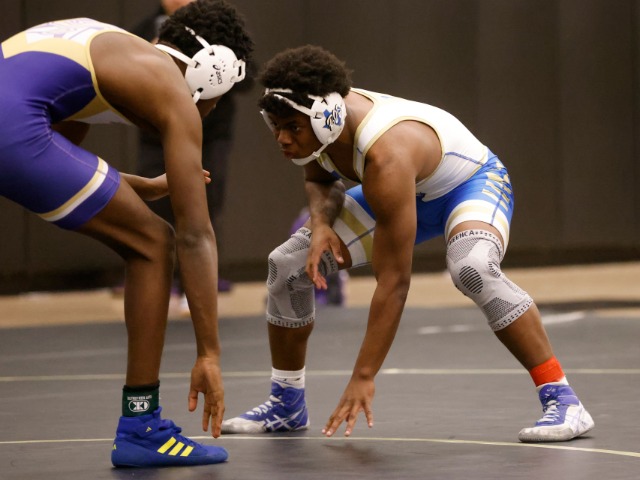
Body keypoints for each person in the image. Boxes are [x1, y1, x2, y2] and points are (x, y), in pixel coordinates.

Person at [221, 45, 594, 443]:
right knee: (288, 265)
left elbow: (394, 282)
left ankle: (564, 399)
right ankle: (287, 404)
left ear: (325, 119)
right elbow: (318, 178)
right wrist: (321, 223)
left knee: (472, 268)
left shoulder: (386, 153)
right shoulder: (314, 121)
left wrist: (364, 376)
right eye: (275, 126)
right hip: (404, 190)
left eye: (291, 128)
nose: (282, 138)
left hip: (469, 185)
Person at [0, 0, 253, 467]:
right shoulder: (168, 85)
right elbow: (195, 235)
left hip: (12, 121)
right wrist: (210, 355)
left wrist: (139, 186)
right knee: (154, 244)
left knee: (146, 234)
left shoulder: (109, 52)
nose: (212, 109)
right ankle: (141, 426)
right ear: (212, 69)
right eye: (220, 97)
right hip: (13, 128)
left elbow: (52, 163)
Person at [130, 0, 249, 307]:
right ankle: (163, 279)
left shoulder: (217, 30)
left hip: (210, 135)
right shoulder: (146, 29)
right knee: (157, 206)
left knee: (205, 203)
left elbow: (248, 76)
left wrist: (214, 72)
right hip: (156, 136)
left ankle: (196, 283)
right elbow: (128, 71)